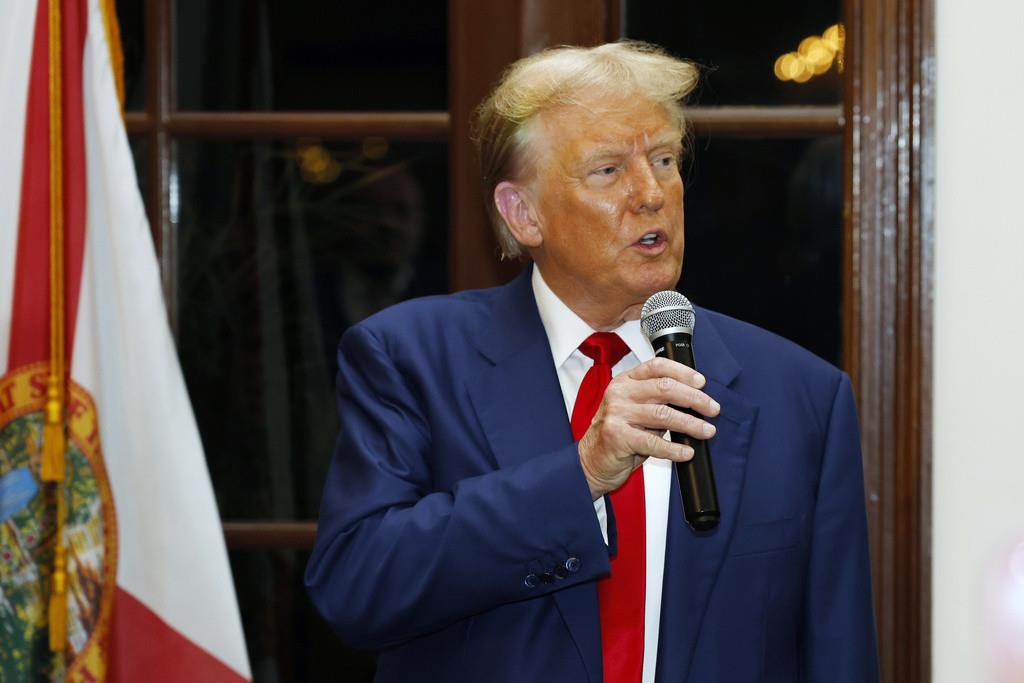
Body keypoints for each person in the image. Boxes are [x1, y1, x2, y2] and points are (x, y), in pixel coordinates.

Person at [305, 42, 879, 682]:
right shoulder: (410, 360)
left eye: (664, 159)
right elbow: (356, 590)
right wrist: (579, 476)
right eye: (608, 170)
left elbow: (838, 654)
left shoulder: (801, 396)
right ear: (523, 215)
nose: (651, 193)